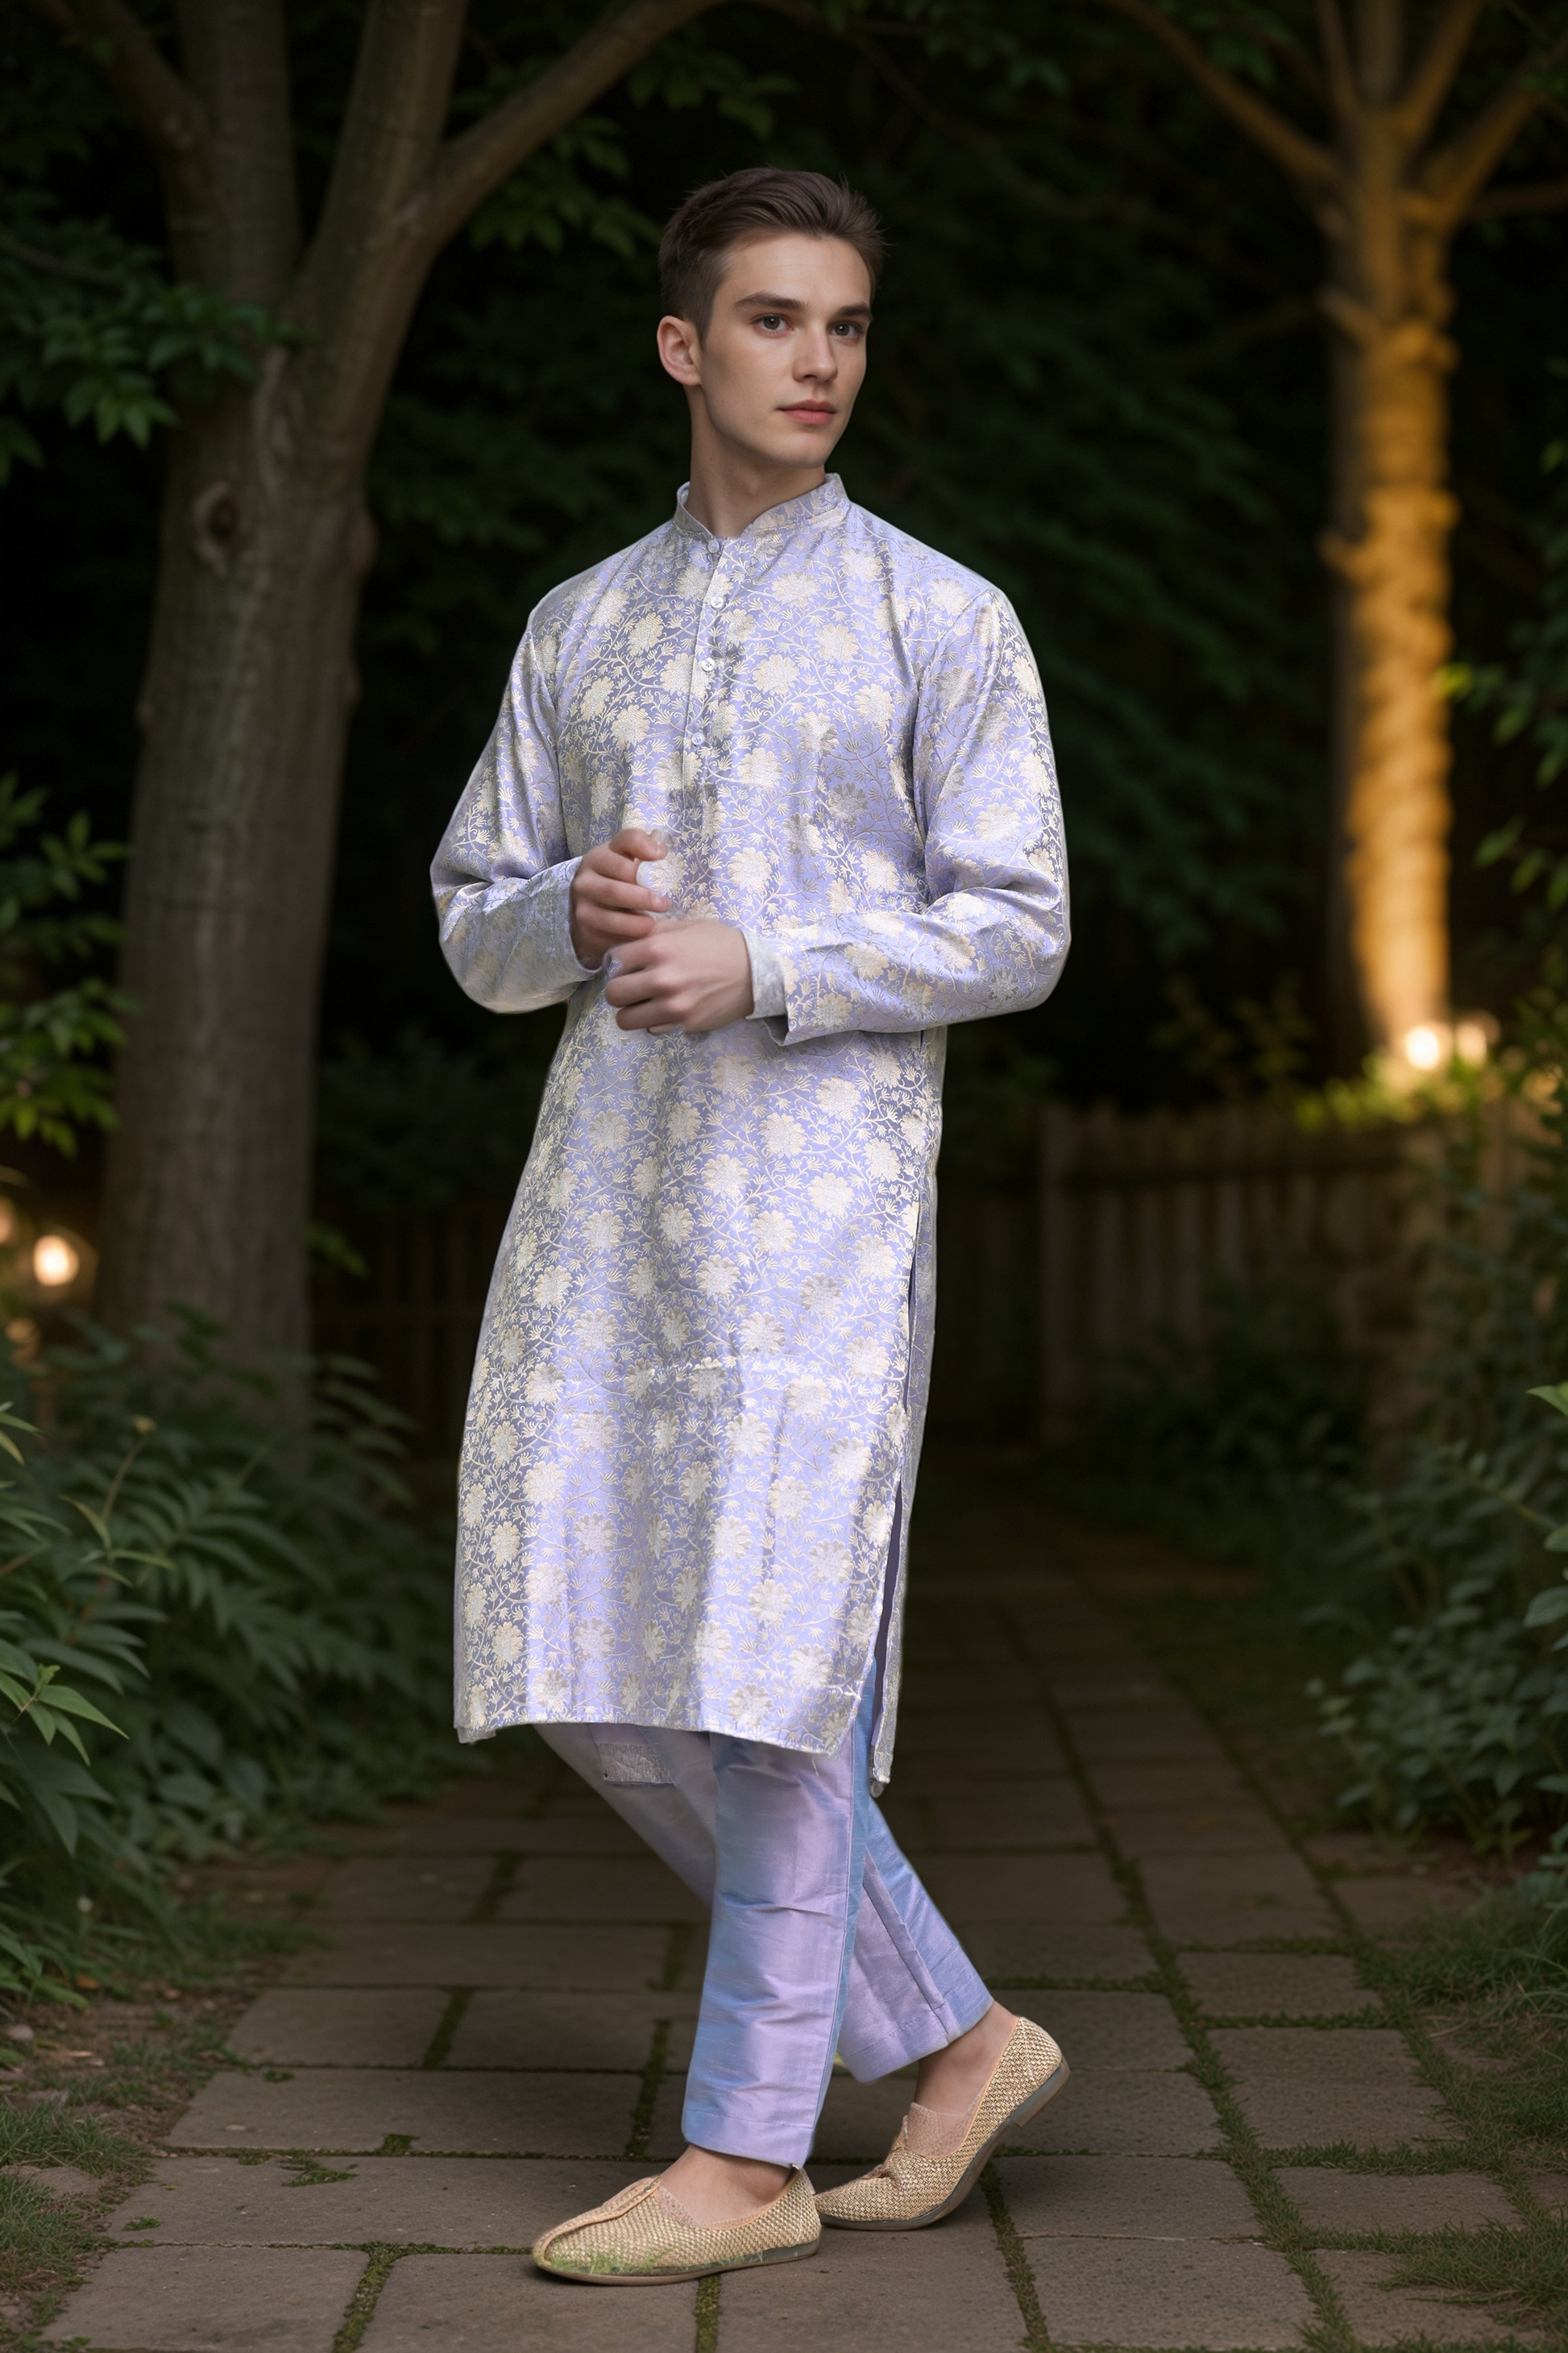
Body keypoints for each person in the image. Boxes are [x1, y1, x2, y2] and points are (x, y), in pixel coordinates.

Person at [431, 166, 1071, 2286]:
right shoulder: (578, 626)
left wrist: (765, 958)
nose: (819, 361)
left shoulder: (938, 616)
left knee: (776, 1675)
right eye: (777, 320)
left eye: (848, 324)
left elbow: (1022, 924)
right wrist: (572, 910)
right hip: (606, 1205)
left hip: (820, 1214)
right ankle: (955, 2040)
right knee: (589, 1660)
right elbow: (474, 924)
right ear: (683, 345)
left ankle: (746, 2156)